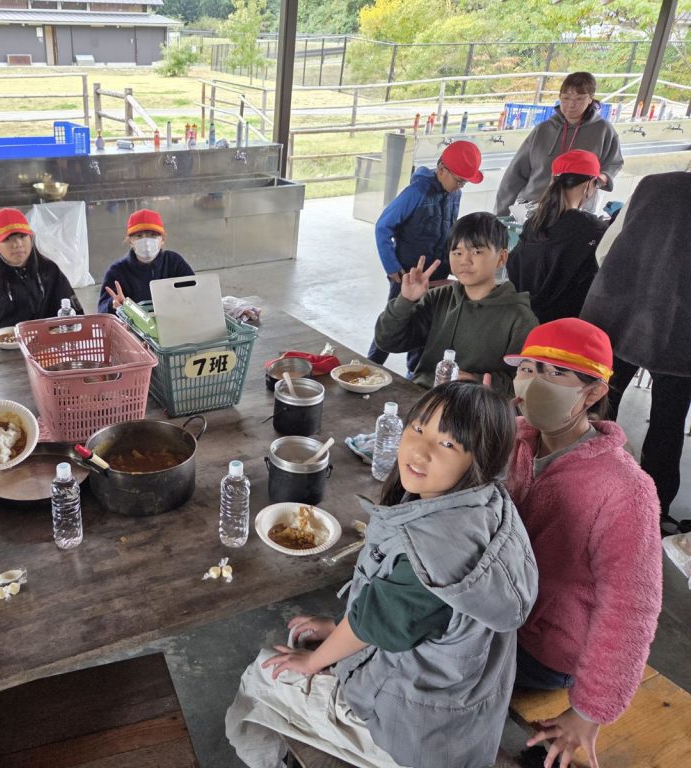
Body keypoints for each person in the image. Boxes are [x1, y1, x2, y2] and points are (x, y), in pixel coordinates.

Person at [226, 382, 537, 768]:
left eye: (447, 444)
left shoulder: (434, 559)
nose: (419, 450)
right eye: (418, 428)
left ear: (482, 461)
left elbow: (375, 624)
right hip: (460, 721)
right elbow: (394, 613)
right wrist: (339, 624)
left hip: (411, 735)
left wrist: (314, 662)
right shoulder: (491, 504)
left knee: (261, 677)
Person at [503, 318, 662, 768]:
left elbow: (630, 607)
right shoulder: (515, 440)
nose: (533, 384)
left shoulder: (625, 490)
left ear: (592, 394)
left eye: (555, 373)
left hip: (544, 647)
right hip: (500, 610)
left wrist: (590, 710)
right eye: (528, 369)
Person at [581, 170, 691, 534]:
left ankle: (585, 485)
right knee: (667, 423)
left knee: (599, 402)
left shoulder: (651, 185)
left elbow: (605, 249)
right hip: (681, 331)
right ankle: (651, 514)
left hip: (623, 316)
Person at [374, 212, 538, 394]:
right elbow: (387, 341)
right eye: (457, 252)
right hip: (423, 395)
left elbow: (525, 384)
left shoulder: (520, 318)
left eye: (476, 252)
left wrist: (474, 381)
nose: (465, 261)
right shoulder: (438, 298)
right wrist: (405, 301)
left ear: (501, 258)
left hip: (474, 407)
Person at [368, 140, 484, 370]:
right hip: (407, 275)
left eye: (465, 182)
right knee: (395, 322)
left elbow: (449, 230)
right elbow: (383, 227)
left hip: (437, 274)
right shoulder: (416, 193)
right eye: (459, 180)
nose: (460, 186)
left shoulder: (454, 194)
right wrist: (392, 267)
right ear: (441, 170)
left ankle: (415, 375)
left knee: (426, 325)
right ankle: (369, 366)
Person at [495, 72, 622, 217]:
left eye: (579, 99)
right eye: (566, 98)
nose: (571, 105)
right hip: (534, 208)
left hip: (577, 211)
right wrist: (501, 215)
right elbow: (515, 174)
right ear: (559, 97)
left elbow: (614, 163)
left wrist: (600, 179)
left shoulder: (603, 130)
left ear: (590, 99)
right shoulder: (543, 129)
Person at [507, 149, 610, 323]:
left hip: (525, 321)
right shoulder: (593, 229)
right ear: (588, 185)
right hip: (565, 326)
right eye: (596, 185)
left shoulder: (534, 223)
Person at [0, 207, 82, 337]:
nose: (17, 244)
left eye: (22, 236)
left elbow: (74, 315)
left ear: (31, 237)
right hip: (2, 347)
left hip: (48, 345)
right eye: (7, 239)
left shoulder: (49, 270)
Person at [96, 208, 194, 313]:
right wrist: (113, 305)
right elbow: (102, 311)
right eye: (139, 236)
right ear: (130, 241)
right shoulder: (117, 271)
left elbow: (195, 292)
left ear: (163, 239)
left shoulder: (174, 262)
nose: (146, 242)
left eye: (153, 235)